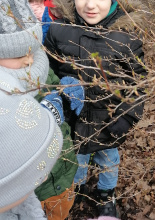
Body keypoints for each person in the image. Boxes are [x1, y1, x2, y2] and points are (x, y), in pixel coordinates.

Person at [0, 0, 81, 219]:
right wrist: (48, 115)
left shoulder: (36, 66)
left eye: (33, 47)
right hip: (27, 192)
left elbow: (52, 90)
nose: (30, 60)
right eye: (19, 54)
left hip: (61, 173)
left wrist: (64, 99)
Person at [44, 0, 147, 217]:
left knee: (109, 161)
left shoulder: (126, 36)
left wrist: (126, 118)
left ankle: (105, 194)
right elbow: (49, 73)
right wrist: (58, 104)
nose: (90, 5)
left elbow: (137, 83)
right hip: (74, 121)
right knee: (76, 159)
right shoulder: (59, 31)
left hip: (109, 121)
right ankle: (78, 188)